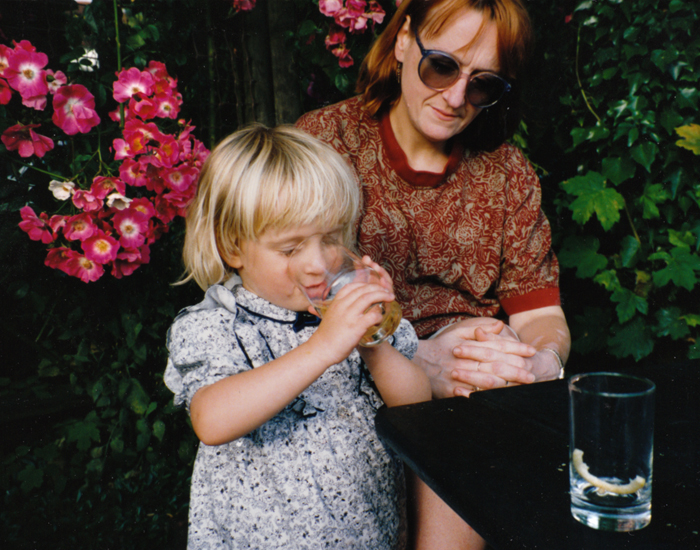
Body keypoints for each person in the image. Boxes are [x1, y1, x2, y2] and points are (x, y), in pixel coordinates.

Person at [296, 0, 571, 547]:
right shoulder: (326, 144)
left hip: (477, 395)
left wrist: (537, 363)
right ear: (402, 41)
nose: (455, 98)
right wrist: (419, 360)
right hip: (362, 372)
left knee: (470, 440)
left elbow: (541, 315)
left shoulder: (507, 173)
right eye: (441, 65)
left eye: (483, 84)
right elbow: (292, 301)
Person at [163, 124, 431, 549]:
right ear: (233, 249)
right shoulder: (217, 324)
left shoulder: (348, 316)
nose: (318, 263)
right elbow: (212, 421)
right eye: (290, 249)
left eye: (331, 238)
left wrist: (371, 341)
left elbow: (416, 405)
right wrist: (323, 347)